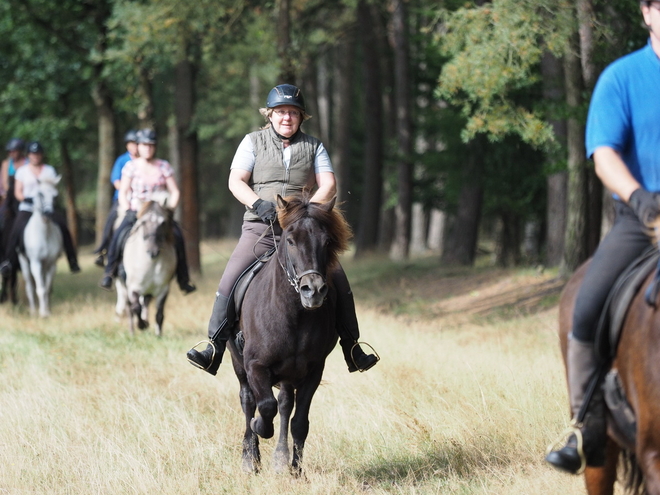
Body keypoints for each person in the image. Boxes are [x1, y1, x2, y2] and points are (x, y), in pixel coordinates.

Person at [186, 83, 379, 376]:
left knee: (339, 280)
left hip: (304, 232)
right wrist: (259, 205)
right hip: (260, 229)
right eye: (280, 112)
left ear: (301, 117)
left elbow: (328, 184)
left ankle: (352, 348)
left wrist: (306, 214)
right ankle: (214, 347)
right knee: (230, 278)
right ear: (270, 116)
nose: (286, 118)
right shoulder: (252, 142)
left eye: (292, 112)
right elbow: (236, 181)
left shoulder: (314, 146)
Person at [545, 0, 660, 474]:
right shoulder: (622, 77)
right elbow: (604, 155)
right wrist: (641, 199)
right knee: (587, 303)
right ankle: (585, 427)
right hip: (642, 220)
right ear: (647, 11)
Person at [98, 128, 196, 295]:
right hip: (137, 212)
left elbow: (175, 191)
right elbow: (123, 192)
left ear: (155, 147)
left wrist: (170, 209)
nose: (148, 148)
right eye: (144, 145)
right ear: (139, 146)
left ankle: (183, 279)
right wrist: (127, 208)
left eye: (151, 145)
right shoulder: (130, 167)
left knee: (178, 237)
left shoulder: (164, 166)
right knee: (119, 234)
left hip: (159, 214)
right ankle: (109, 273)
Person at [0, 141, 80, 276]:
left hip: (47, 208)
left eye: (38, 154)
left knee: (62, 226)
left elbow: (54, 189)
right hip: (28, 207)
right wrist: (26, 198)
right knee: (15, 229)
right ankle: (9, 261)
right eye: (32, 154)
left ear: (41, 155)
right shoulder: (22, 172)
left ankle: (72, 260)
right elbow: (18, 192)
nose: (35, 156)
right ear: (28, 155)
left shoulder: (49, 170)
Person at [93, 130, 138, 267]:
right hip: (123, 197)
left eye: (136, 143)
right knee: (111, 219)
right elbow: (116, 181)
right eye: (132, 143)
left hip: (141, 199)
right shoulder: (122, 160)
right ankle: (104, 250)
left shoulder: (147, 162)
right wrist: (127, 191)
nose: (134, 146)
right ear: (127, 145)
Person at [0, 138, 27, 209]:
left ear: (20, 150)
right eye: (9, 151)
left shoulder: (28, 163)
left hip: (26, 193)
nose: (11, 153)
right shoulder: (6, 164)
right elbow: (5, 183)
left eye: (14, 151)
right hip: (10, 195)